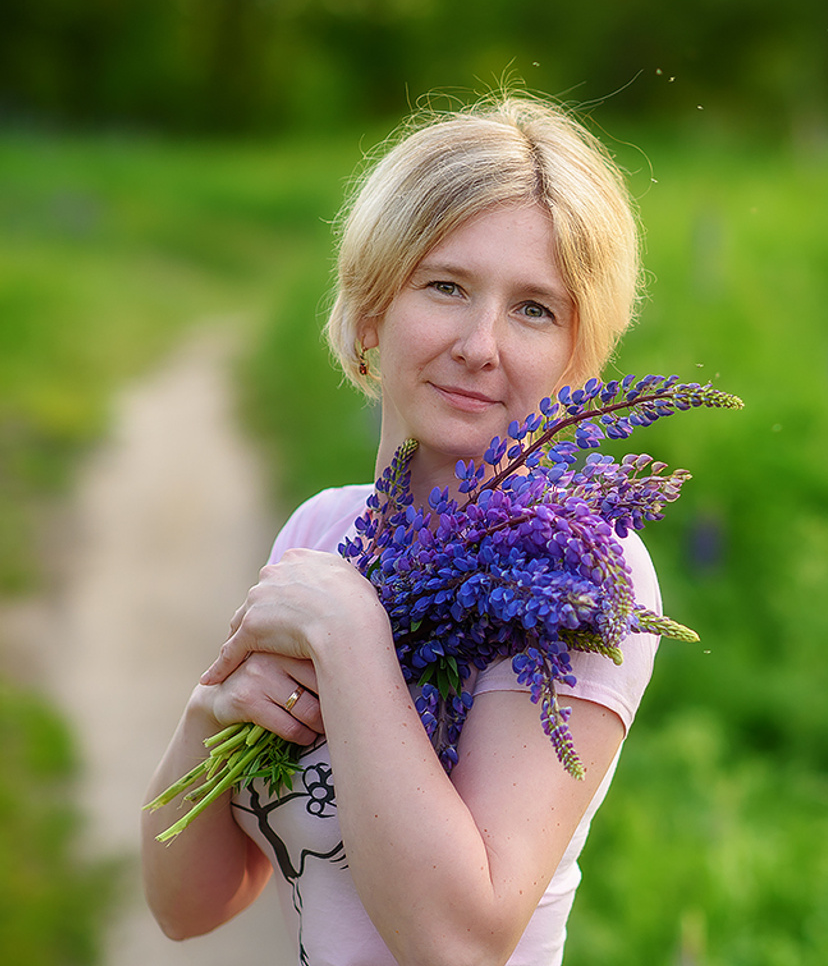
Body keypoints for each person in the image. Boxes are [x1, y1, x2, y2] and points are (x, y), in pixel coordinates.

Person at [142, 96, 658, 966]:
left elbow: (460, 944)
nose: (480, 343)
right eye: (447, 286)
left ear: (577, 357)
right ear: (374, 309)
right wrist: (207, 714)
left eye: (535, 308)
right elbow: (190, 906)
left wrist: (349, 637)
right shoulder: (323, 532)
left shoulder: (577, 567)